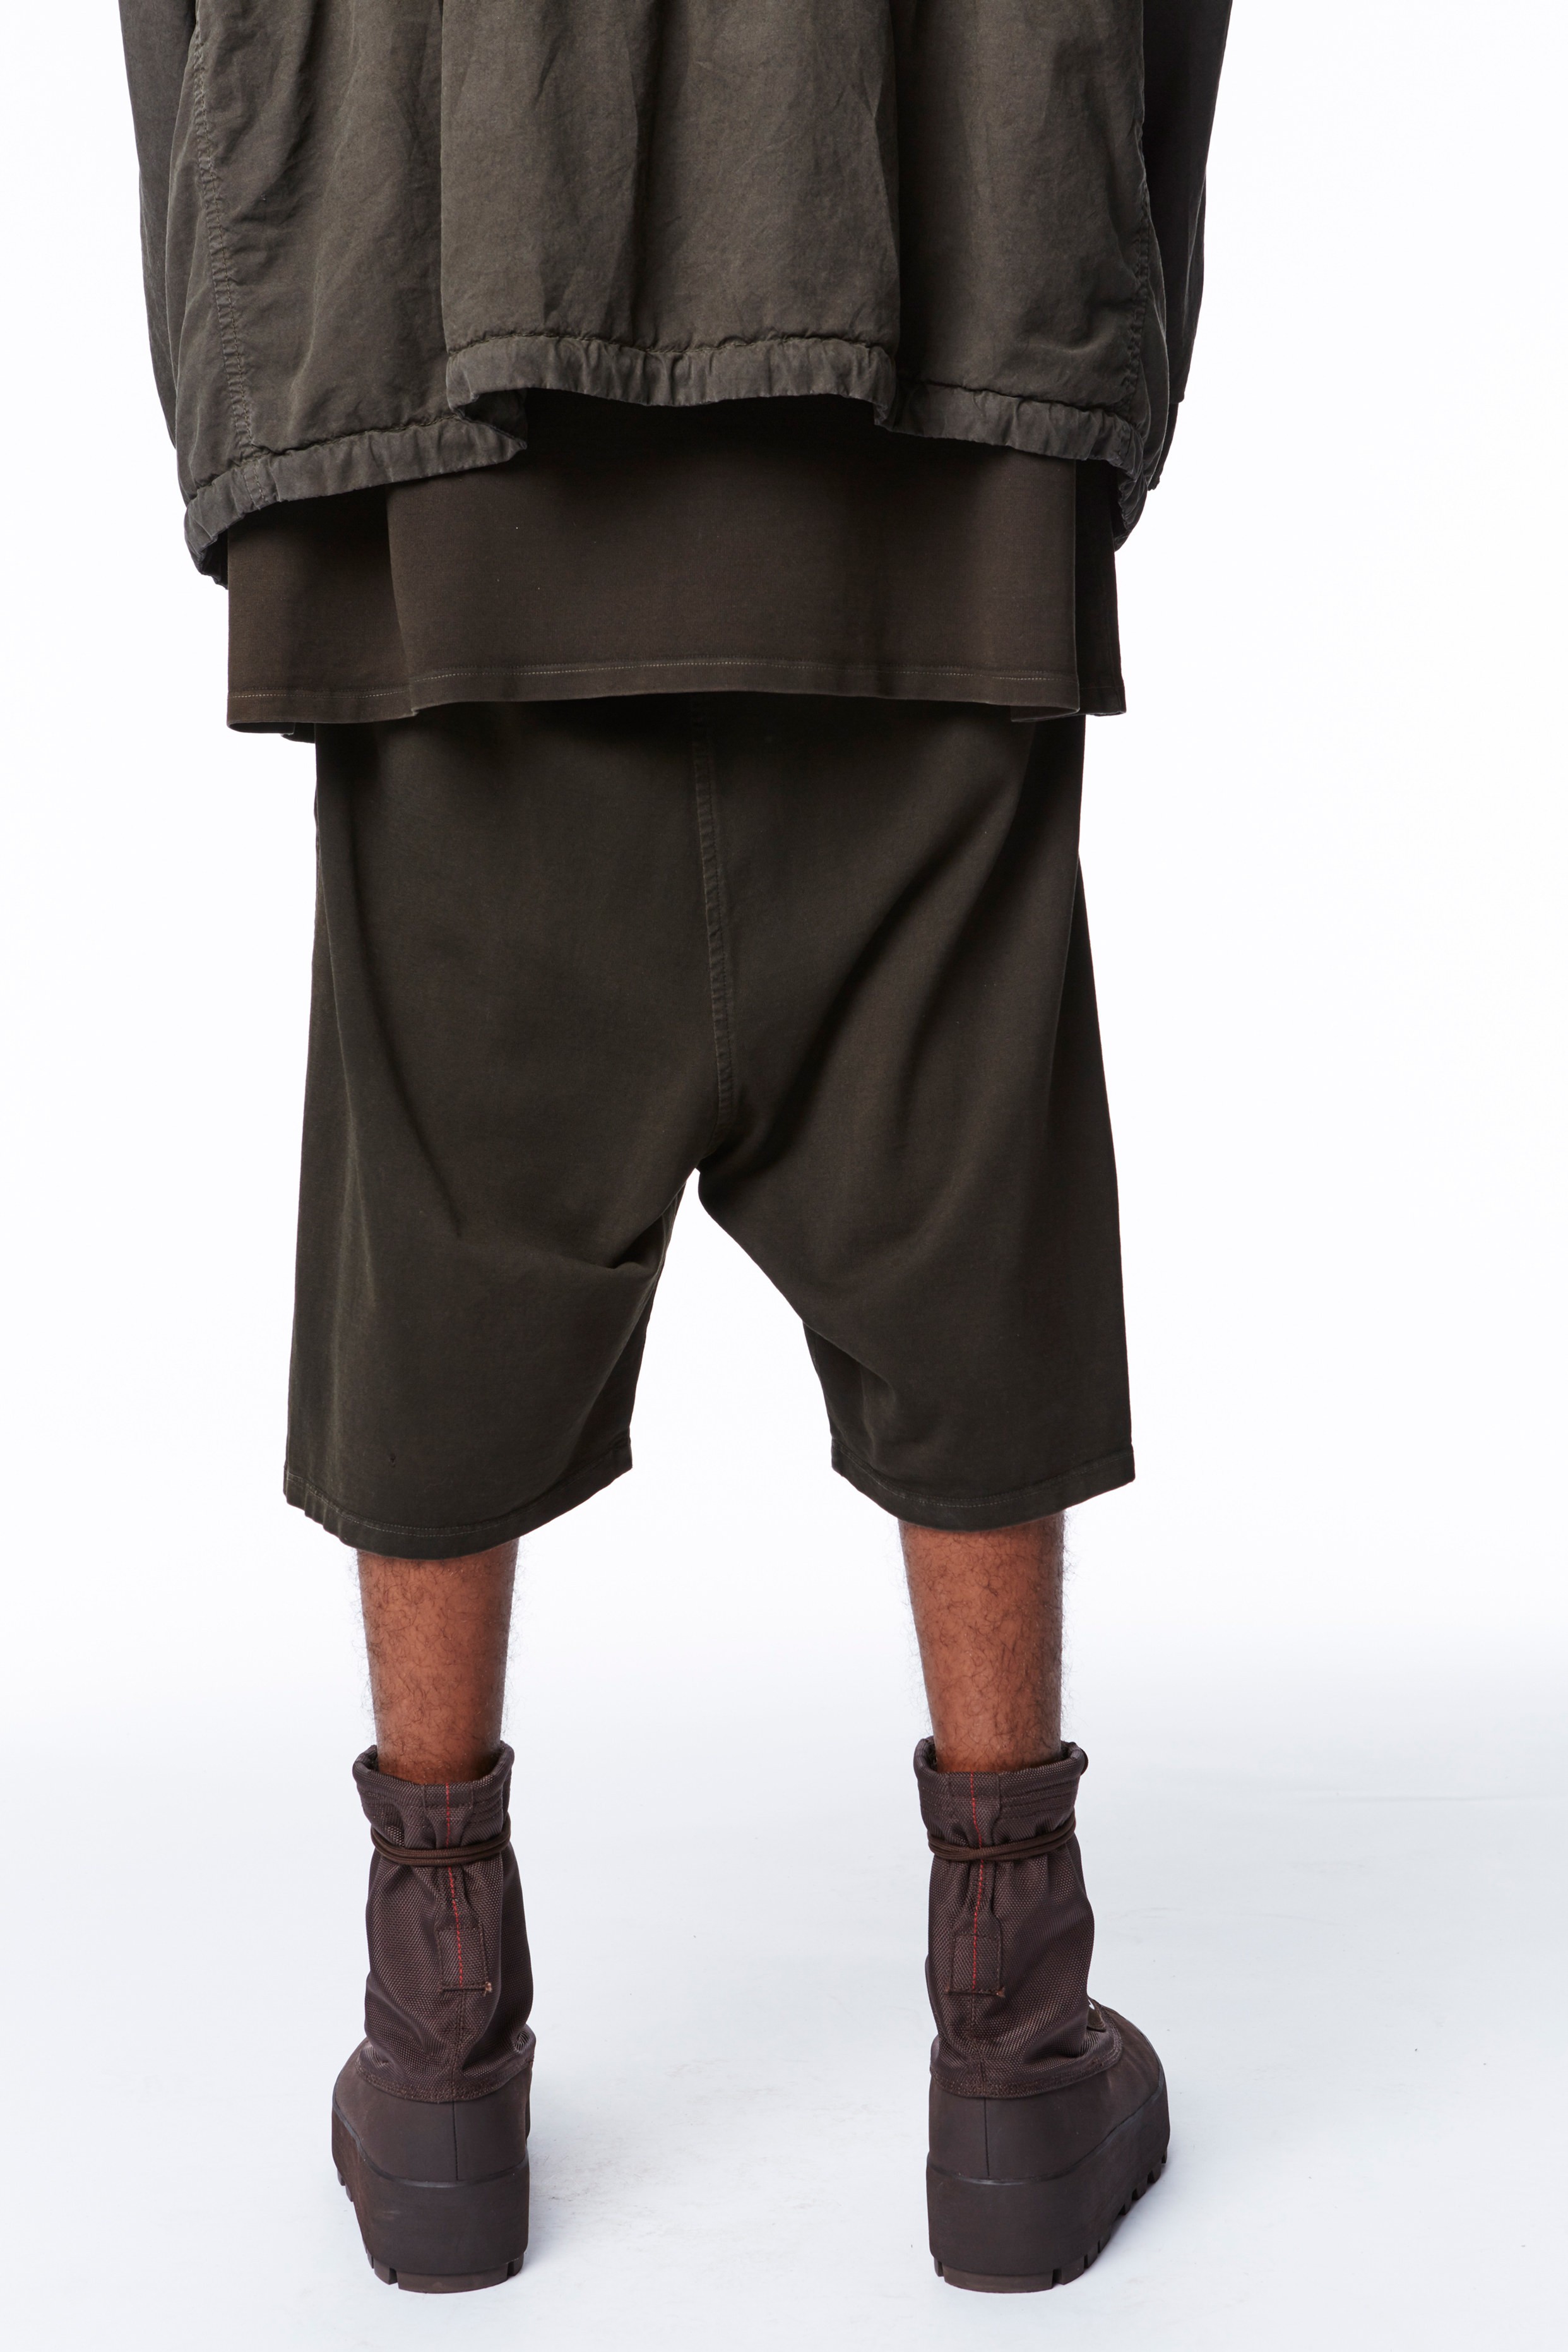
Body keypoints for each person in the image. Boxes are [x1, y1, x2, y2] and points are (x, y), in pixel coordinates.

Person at [119, 0, 1230, 2297]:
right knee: (967, 1180)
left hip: (440, 319)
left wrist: (261, 378)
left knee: (445, 1212)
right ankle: (1014, 2050)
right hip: (933, 303)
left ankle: (438, 2057)